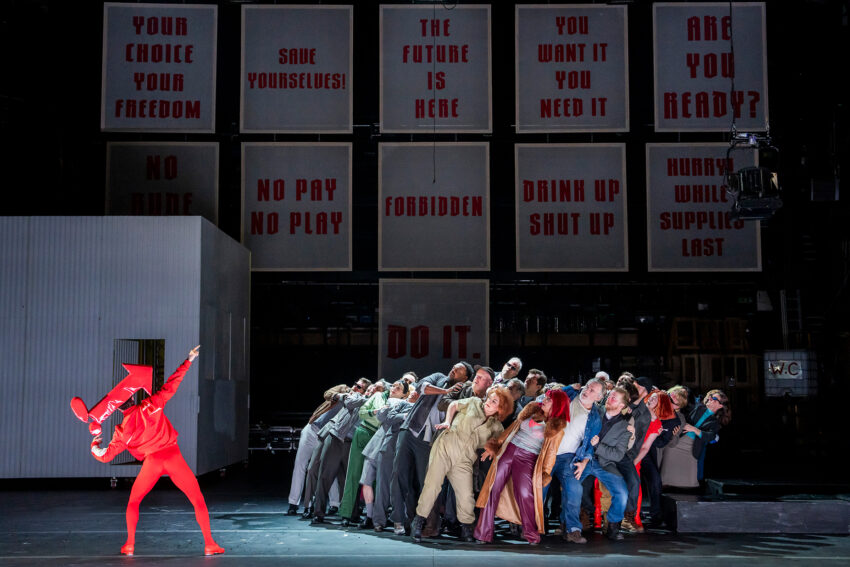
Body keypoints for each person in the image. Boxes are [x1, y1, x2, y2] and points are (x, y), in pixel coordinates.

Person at [86, 346, 224, 556]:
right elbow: (171, 385)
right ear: (133, 398)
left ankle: (129, 545)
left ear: (120, 408)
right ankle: (209, 544)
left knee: (134, 501)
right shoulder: (151, 405)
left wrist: (94, 445)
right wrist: (188, 360)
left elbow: (105, 457)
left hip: (152, 462)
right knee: (197, 499)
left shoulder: (121, 432)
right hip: (173, 456)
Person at [412, 388, 513, 543]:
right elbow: (453, 405)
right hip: (445, 447)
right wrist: (447, 421)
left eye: (494, 402)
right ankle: (418, 522)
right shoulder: (473, 402)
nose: (488, 402)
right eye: (489, 398)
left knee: (466, 495)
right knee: (432, 486)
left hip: (465, 460)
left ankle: (466, 526)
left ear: (501, 409)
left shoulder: (496, 426)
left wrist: (492, 450)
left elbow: (500, 442)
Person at [474, 389, 570, 545]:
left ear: (557, 404)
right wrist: (495, 444)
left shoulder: (557, 427)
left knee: (525, 495)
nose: (544, 400)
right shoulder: (532, 408)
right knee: (492, 488)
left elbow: (551, 453)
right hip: (509, 450)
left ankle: (531, 534)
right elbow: (512, 429)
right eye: (545, 397)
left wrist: (545, 473)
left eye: (549, 399)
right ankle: (483, 534)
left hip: (528, 458)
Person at [391, 362, 473, 535]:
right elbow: (423, 387)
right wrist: (445, 391)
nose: (454, 369)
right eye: (454, 366)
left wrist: (453, 394)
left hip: (430, 441)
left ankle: (424, 524)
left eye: (459, 370)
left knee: (426, 483)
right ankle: (398, 519)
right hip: (411, 429)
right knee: (399, 474)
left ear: (465, 378)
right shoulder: (438, 378)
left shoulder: (463, 393)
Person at [569, 387, 633, 541]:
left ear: (622, 406)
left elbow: (617, 455)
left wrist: (598, 446)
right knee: (570, 486)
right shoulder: (594, 411)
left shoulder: (625, 428)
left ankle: (612, 526)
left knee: (622, 493)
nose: (610, 398)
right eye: (610, 395)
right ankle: (569, 525)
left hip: (605, 464)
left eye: (615, 398)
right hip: (583, 460)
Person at [550, 377, 606, 543]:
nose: (586, 391)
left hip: (569, 456)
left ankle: (572, 529)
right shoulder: (570, 396)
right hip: (548, 452)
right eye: (587, 387)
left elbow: (589, 444)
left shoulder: (595, 417)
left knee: (575, 490)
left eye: (592, 391)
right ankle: (532, 527)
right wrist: (569, 386)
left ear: (598, 398)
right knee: (540, 489)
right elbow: (550, 395)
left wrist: (584, 462)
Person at [286, 382, 350, 516]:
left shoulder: (358, 402)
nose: (355, 387)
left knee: (328, 468)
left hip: (328, 435)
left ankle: (334, 504)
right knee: (300, 464)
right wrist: (341, 395)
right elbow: (327, 394)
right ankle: (293, 503)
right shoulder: (343, 389)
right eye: (356, 384)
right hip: (312, 429)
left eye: (360, 387)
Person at [661, 389, 731, 489]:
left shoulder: (715, 422)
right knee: (667, 469)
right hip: (679, 439)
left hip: (691, 447)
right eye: (710, 396)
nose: (710, 398)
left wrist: (694, 429)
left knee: (687, 481)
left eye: (714, 398)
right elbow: (685, 405)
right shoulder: (698, 407)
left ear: (720, 405)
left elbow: (710, 436)